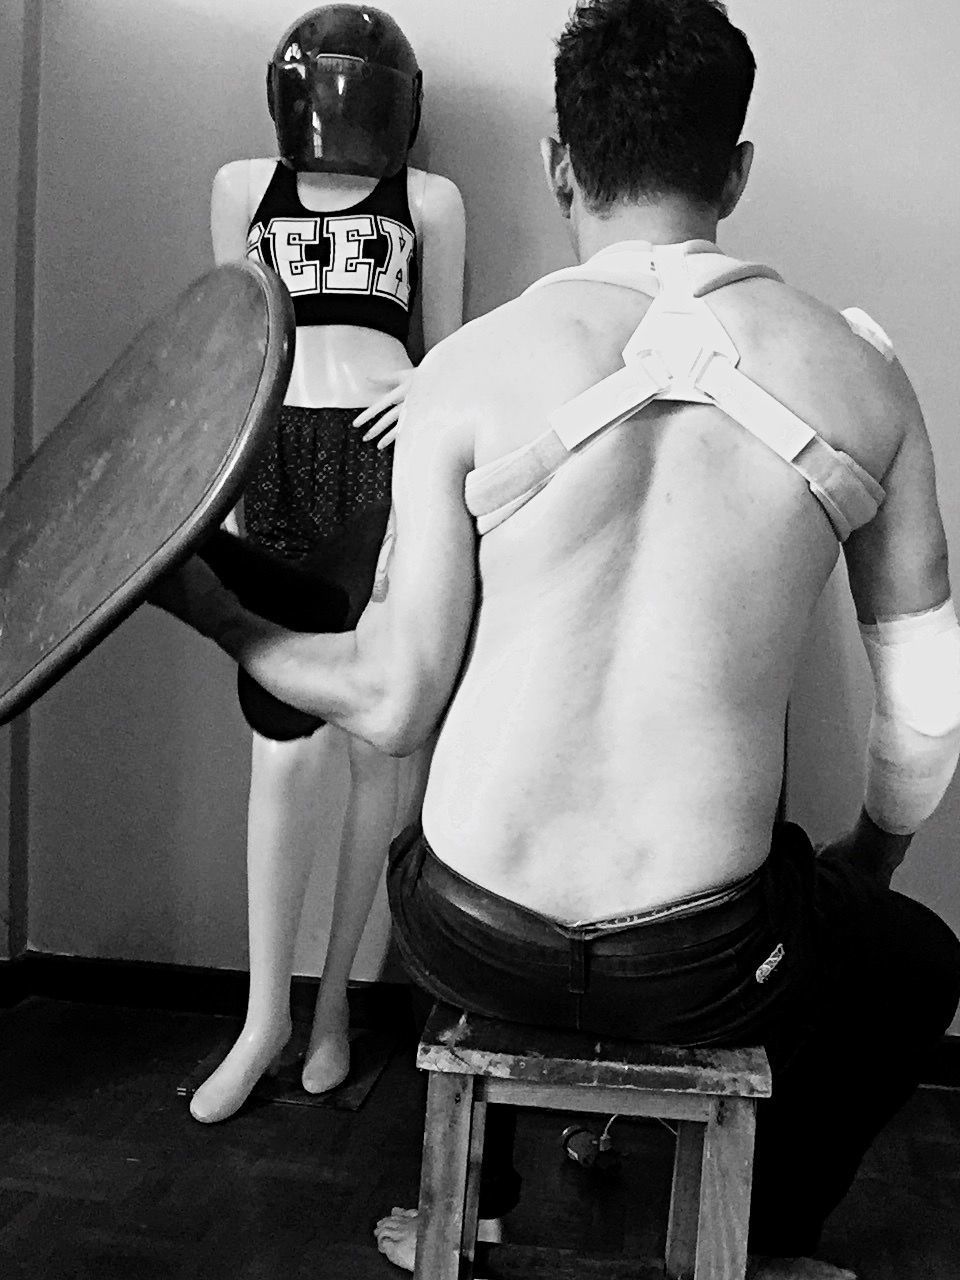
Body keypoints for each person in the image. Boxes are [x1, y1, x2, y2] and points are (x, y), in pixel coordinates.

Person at [152, 0, 960, 1275]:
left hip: (476, 935)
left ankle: (477, 1201)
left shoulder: (471, 371)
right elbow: (924, 728)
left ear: (556, 160)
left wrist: (222, 611)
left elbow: (393, 697)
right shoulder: (862, 376)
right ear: (736, 171)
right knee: (912, 963)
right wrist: (865, 863)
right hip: (709, 958)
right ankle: (763, 1238)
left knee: (450, 861)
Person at [189, 4, 465, 1124]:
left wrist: (424, 425)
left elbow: (444, 354)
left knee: (372, 749)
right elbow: (225, 347)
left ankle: (343, 998)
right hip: (272, 472)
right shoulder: (238, 186)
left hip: (381, 473)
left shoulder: (431, 201)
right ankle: (264, 1016)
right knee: (280, 752)